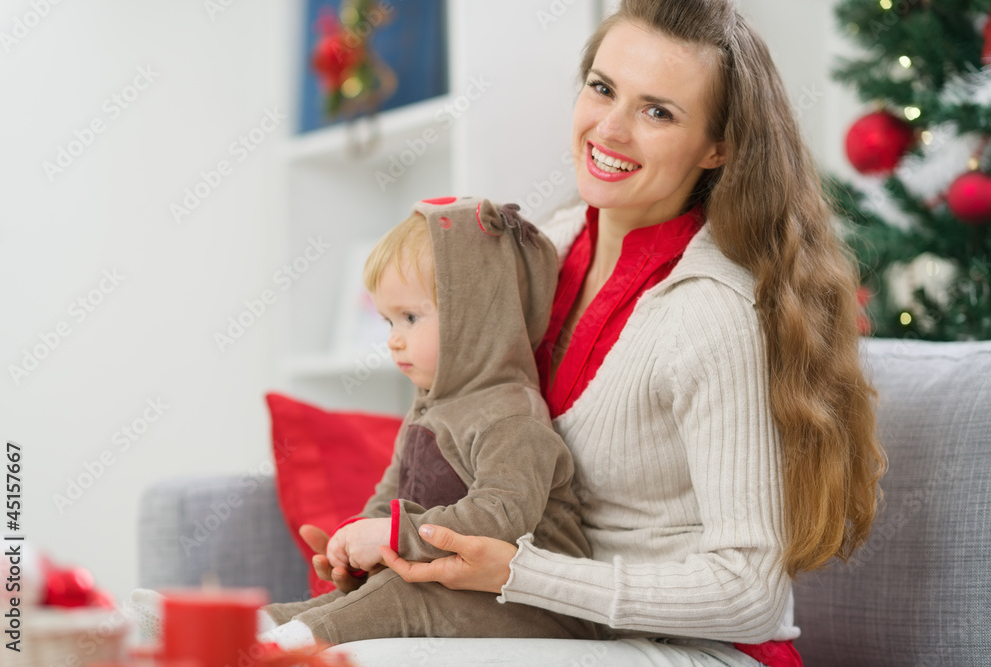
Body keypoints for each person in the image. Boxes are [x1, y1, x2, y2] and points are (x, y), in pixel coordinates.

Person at [312, 1, 887, 665]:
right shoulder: (542, 250)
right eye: (602, 88)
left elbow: (751, 593)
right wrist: (387, 544)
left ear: (718, 147)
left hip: (694, 649)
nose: (610, 128)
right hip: (553, 630)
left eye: (657, 111)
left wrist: (519, 573)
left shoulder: (711, 313)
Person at [259, 196, 603, 646]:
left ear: (475, 320)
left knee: (402, 597)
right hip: (458, 585)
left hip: (539, 605)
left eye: (409, 318)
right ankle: (252, 627)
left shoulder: (512, 415)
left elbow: (497, 518)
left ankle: (288, 646)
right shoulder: (430, 407)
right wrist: (357, 545)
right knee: (361, 594)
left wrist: (392, 536)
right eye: (388, 322)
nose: (393, 341)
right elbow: (392, 495)